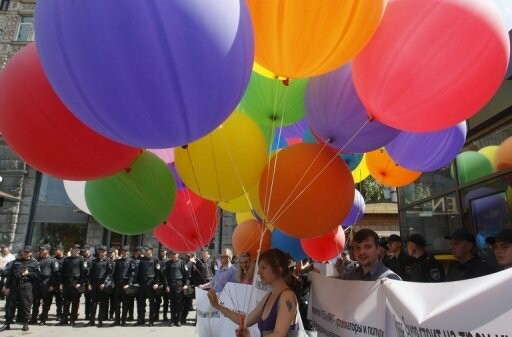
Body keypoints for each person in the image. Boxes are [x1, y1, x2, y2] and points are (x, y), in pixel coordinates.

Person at [207, 248, 298, 337]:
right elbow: (246, 320)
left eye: (263, 268)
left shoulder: (287, 296)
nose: (258, 272)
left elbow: (279, 334)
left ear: (279, 270)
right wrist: (218, 306)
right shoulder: (268, 296)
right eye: (259, 267)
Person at [0, 245, 40, 332]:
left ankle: (25, 324)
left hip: (26, 286)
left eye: (27, 252)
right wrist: (7, 287)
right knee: (10, 305)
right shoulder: (16, 262)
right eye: (24, 252)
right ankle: (7, 323)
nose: (25, 253)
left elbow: (38, 276)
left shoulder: (35, 263)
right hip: (14, 286)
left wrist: (28, 273)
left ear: (30, 253)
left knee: (26, 305)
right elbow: (10, 275)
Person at [135, 245, 165, 327]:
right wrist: (137, 282)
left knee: (152, 303)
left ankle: (151, 320)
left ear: (151, 250)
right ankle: (141, 319)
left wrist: (156, 283)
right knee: (141, 302)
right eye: (145, 250)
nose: (145, 251)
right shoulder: (142, 259)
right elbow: (138, 272)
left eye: (147, 250)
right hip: (142, 283)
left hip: (151, 283)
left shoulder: (155, 259)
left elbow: (158, 272)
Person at [86, 245, 115, 327]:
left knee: (102, 304)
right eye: (100, 251)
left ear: (106, 252)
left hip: (103, 285)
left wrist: (104, 283)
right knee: (93, 304)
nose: (101, 253)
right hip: (95, 283)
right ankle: (92, 321)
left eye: (103, 251)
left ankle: (100, 321)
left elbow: (110, 274)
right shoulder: (94, 261)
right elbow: (90, 274)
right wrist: (90, 284)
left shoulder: (108, 262)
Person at [58, 244, 86, 326]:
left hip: (76, 282)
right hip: (67, 282)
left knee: (75, 302)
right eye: (74, 249)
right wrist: (61, 283)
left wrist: (80, 283)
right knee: (65, 302)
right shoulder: (66, 259)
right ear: (72, 250)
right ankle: (64, 319)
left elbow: (83, 273)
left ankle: (72, 320)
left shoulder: (81, 260)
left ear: (79, 251)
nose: (76, 250)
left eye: (77, 249)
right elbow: (62, 272)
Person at [30, 245, 58, 325]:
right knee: (35, 302)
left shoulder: (52, 260)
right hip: (37, 283)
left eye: (43, 250)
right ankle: (34, 318)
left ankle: (43, 319)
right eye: (41, 250)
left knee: (46, 302)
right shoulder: (38, 260)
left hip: (47, 282)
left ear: (47, 251)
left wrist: (52, 285)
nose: (41, 251)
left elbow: (55, 274)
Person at [112, 245, 136, 326]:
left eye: (125, 251)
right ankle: (117, 320)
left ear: (128, 252)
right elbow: (113, 274)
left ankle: (124, 321)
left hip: (126, 284)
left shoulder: (131, 261)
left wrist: (129, 284)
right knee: (116, 303)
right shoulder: (117, 261)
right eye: (122, 251)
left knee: (126, 304)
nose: (124, 253)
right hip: (118, 284)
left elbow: (132, 274)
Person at [164, 250, 188, 327]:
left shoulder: (182, 263)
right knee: (172, 304)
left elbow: (186, 275)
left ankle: (178, 320)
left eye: (175, 254)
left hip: (179, 285)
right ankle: (172, 320)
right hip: (171, 285)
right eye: (172, 254)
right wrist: (167, 285)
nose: (173, 255)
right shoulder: (168, 263)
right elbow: (165, 275)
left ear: (178, 254)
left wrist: (185, 284)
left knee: (179, 304)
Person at [52, 244, 65, 322]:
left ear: (61, 250)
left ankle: (59, 315)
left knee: (60, 300)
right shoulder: (53, 259)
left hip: (62, 283)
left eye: (56, 250)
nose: (55, 251)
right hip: (53, 282)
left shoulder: (66, 259)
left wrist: (62, 283)